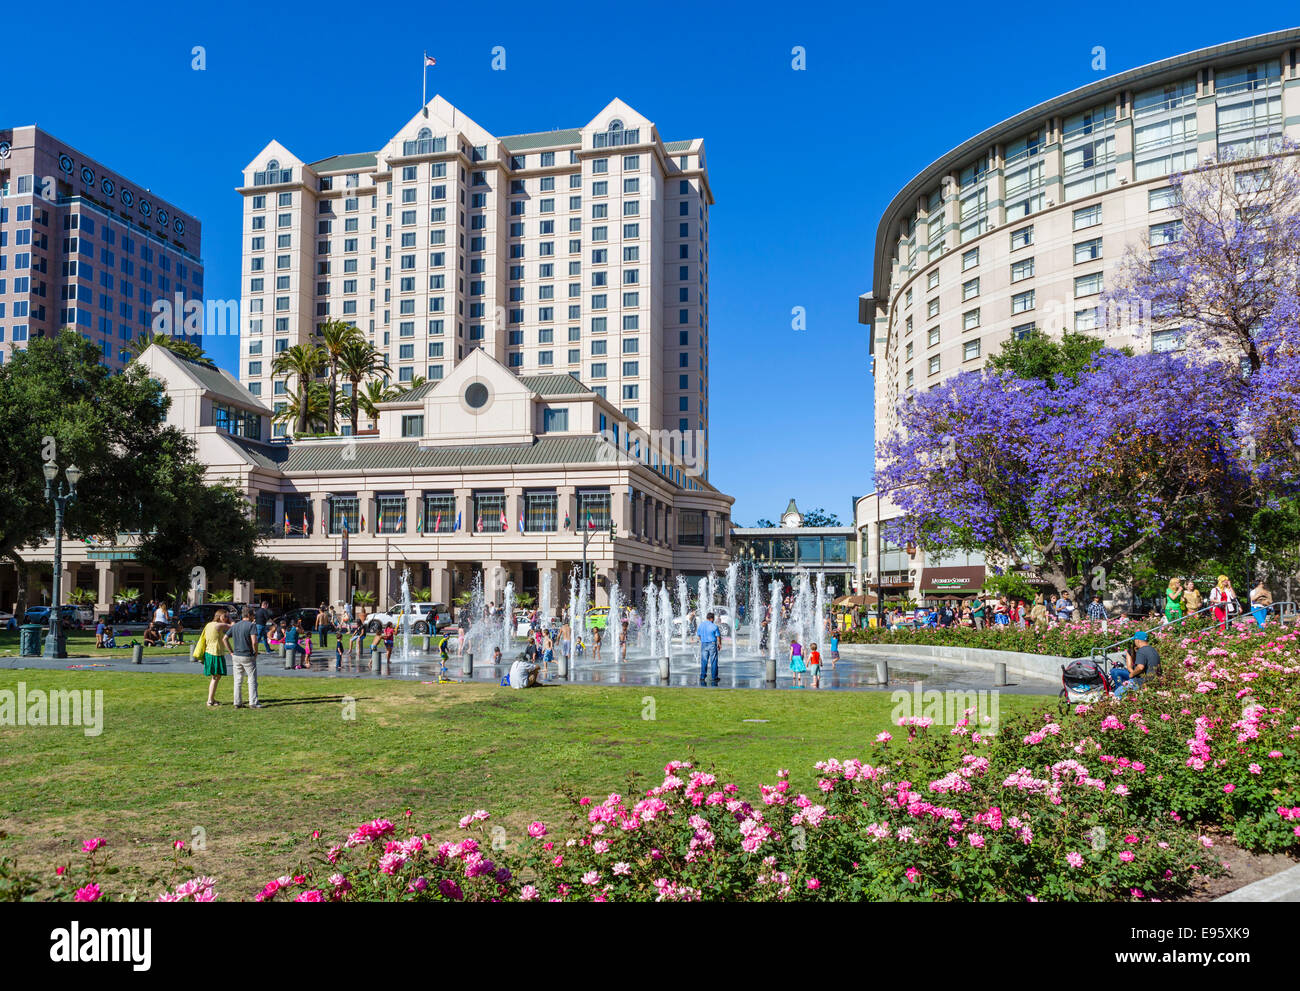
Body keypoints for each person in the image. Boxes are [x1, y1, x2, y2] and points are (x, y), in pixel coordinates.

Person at [192, 607, 232, 708]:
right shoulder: (218, 625)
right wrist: (231, 619)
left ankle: (212, 699)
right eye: (225, 616)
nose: (226, 618)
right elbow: (233, 626)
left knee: (216, 677)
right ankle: (210, 700)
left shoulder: (208, 625)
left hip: (210, 652)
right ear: (219, 616)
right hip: (215, 653)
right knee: (215, 677)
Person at [229, 606, 261, 709]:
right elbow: (254, 641)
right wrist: (255, 652)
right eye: (253, 615)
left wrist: (231, 651)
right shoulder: (251, 626)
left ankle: (237, 702)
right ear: (249, 615)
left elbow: (224, 638)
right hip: (247, 655)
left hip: (236, 655)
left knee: (237, 680)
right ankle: (253, 702)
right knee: (252, 679)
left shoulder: (235, 626)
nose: (254, 617)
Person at [1115, 630, 1160, 698]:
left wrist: (1132, 674)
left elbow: (1140, 667)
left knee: (1117, 694)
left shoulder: (1141, 651)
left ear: (1137, 640)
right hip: (1153, 681)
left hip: (1140, 682)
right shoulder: (1153, 650)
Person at [696, 611, 721, 686]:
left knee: (704, 661)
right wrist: (719, 644)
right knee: (713, 661)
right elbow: (718, 636)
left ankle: (702, 676)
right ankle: (714, 677)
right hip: (712, 644)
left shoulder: (701, 625)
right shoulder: (714, 626)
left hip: (704, 644)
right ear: (712, 618)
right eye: (713, 619)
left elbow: (699, 635)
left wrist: (703, 640)